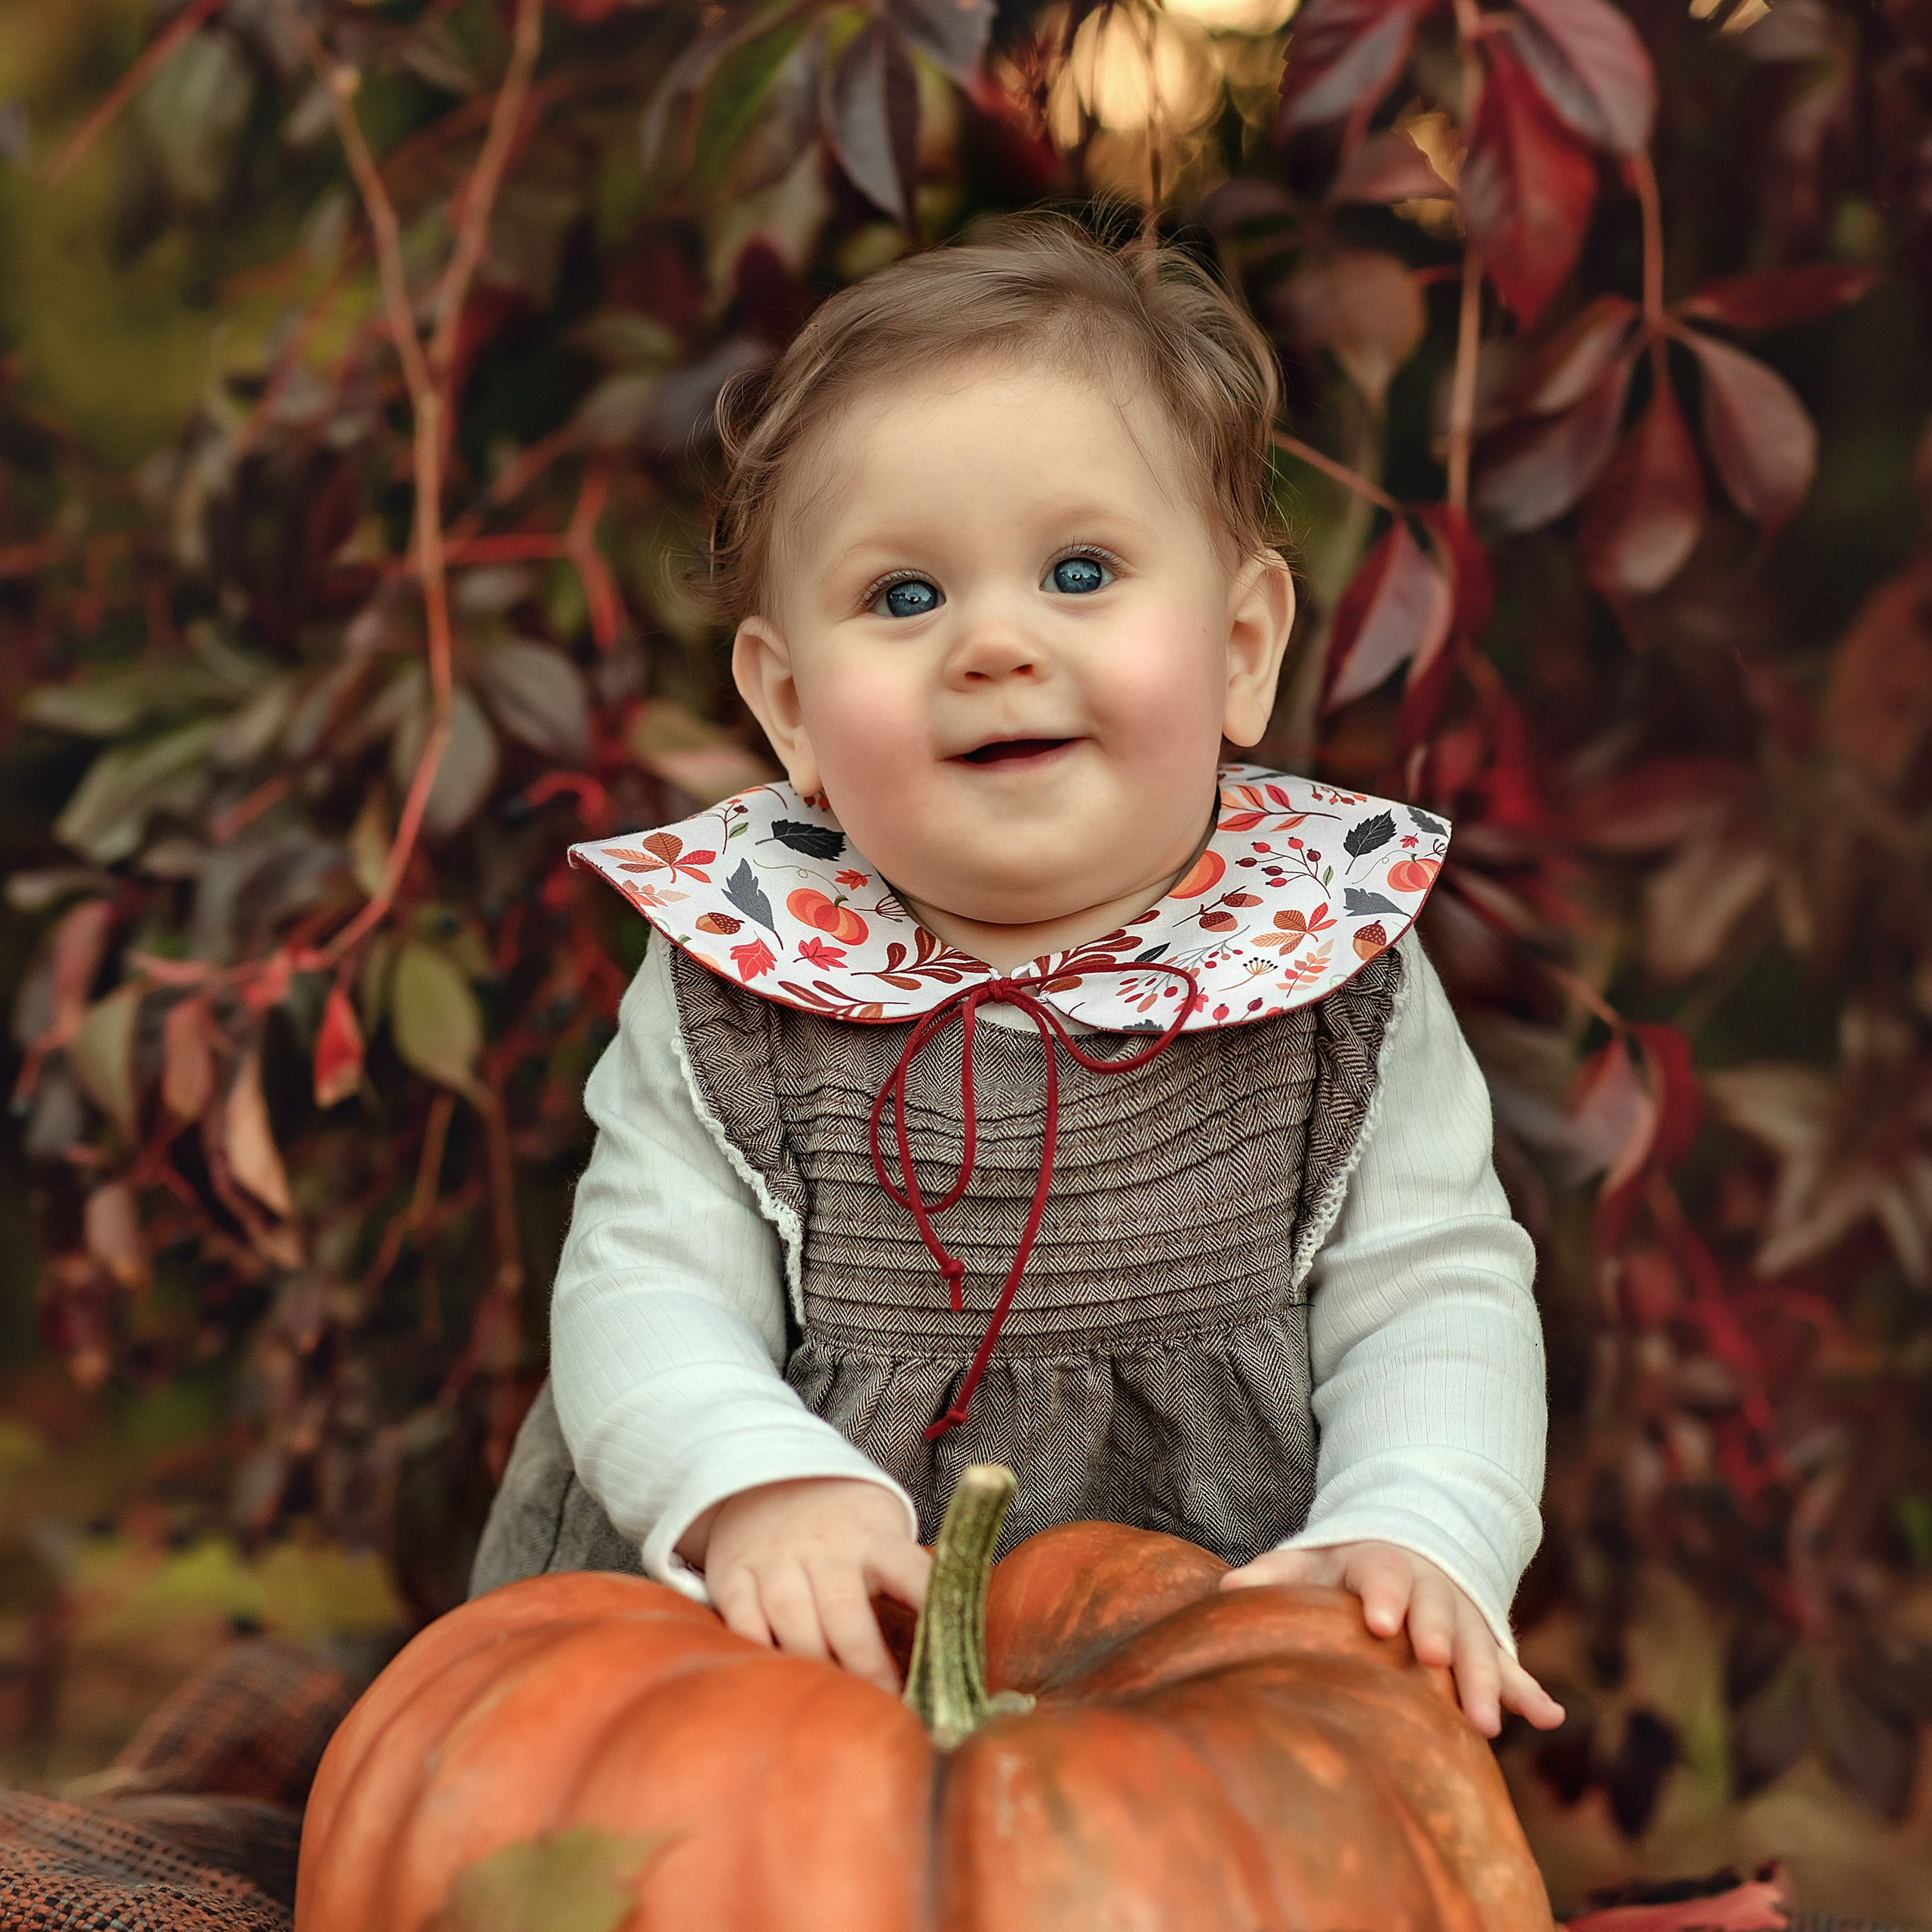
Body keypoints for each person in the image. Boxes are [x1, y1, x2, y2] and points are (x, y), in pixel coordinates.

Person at [478, 214, 1563, 1740]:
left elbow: (1430, 1289)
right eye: (903, 596)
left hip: (1216, 1640)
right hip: (799, 1648)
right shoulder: (741, 968)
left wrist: (1415, 1526)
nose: (992, 640)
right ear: (788, 705)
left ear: (1241, 646)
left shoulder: (1326, 964)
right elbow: (642, 1282)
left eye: (1077, 569)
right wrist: (747, 1477)